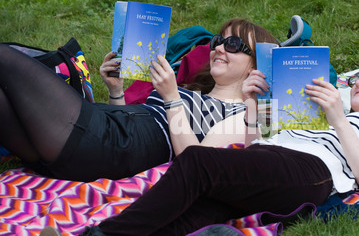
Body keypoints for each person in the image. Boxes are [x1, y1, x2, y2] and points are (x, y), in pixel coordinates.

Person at [34, 56, 359, 236]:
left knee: (200, 164)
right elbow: (256, 139)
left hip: (312, 172)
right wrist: (253, 106)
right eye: (358, 76)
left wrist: (339, 119)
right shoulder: (316, 108)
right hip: (263, 161)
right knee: (193, 216)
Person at [0, 18, 279, 182]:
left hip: (110, 147)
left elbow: (196, 161)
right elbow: (134, 125)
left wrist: (171, 98)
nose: (218, 47)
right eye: (218, 40)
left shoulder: (245, 114)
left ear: (257, 64)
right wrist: (116, 91)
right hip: (105, 139)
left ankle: (71, 72)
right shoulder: (196, 92)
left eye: (233, 45)